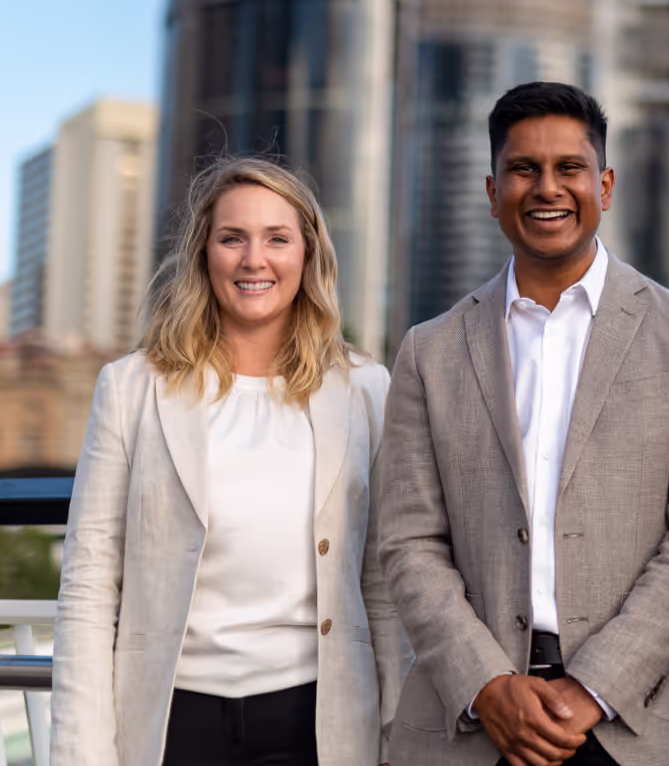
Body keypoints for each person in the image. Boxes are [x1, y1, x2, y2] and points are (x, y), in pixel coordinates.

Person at [377, 82, 669, 766]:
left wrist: (594, 686)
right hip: (476, 727)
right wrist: (486, 684)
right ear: (493, 192)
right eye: (523, 169)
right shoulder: (428, 351)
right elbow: (407, 542)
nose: (547, 188)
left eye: (569, 168)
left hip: (642, 725)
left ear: (604, 185)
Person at [51, 156, 411, 766]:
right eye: (232, 238)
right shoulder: (131, 387)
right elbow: (88, 584)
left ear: (308, 254)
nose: (254, 259)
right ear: (204, 253)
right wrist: (81, 754)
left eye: (277, 239)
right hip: (172, 722)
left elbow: (383, 585)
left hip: (316, 721)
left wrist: (398, 738)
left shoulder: (365, 389)